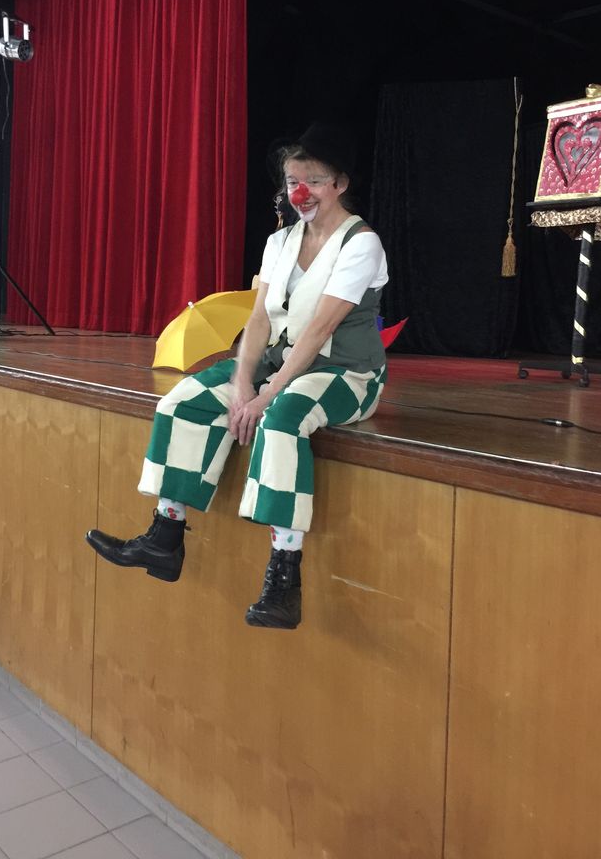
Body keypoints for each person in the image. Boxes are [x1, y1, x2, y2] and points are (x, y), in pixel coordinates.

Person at [86, 122, 389, 629]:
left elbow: (319, 329)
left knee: (282, 419)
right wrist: (244, 382)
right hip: (277, 364)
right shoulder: (281, 241)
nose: (301, 192)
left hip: (346, 372)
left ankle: (285, 579)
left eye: (313, 180)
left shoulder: (361, 243)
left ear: (339, 183)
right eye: (292, 180)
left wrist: (266, 397)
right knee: (181, 402)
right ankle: (165, 537)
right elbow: (259, 320)